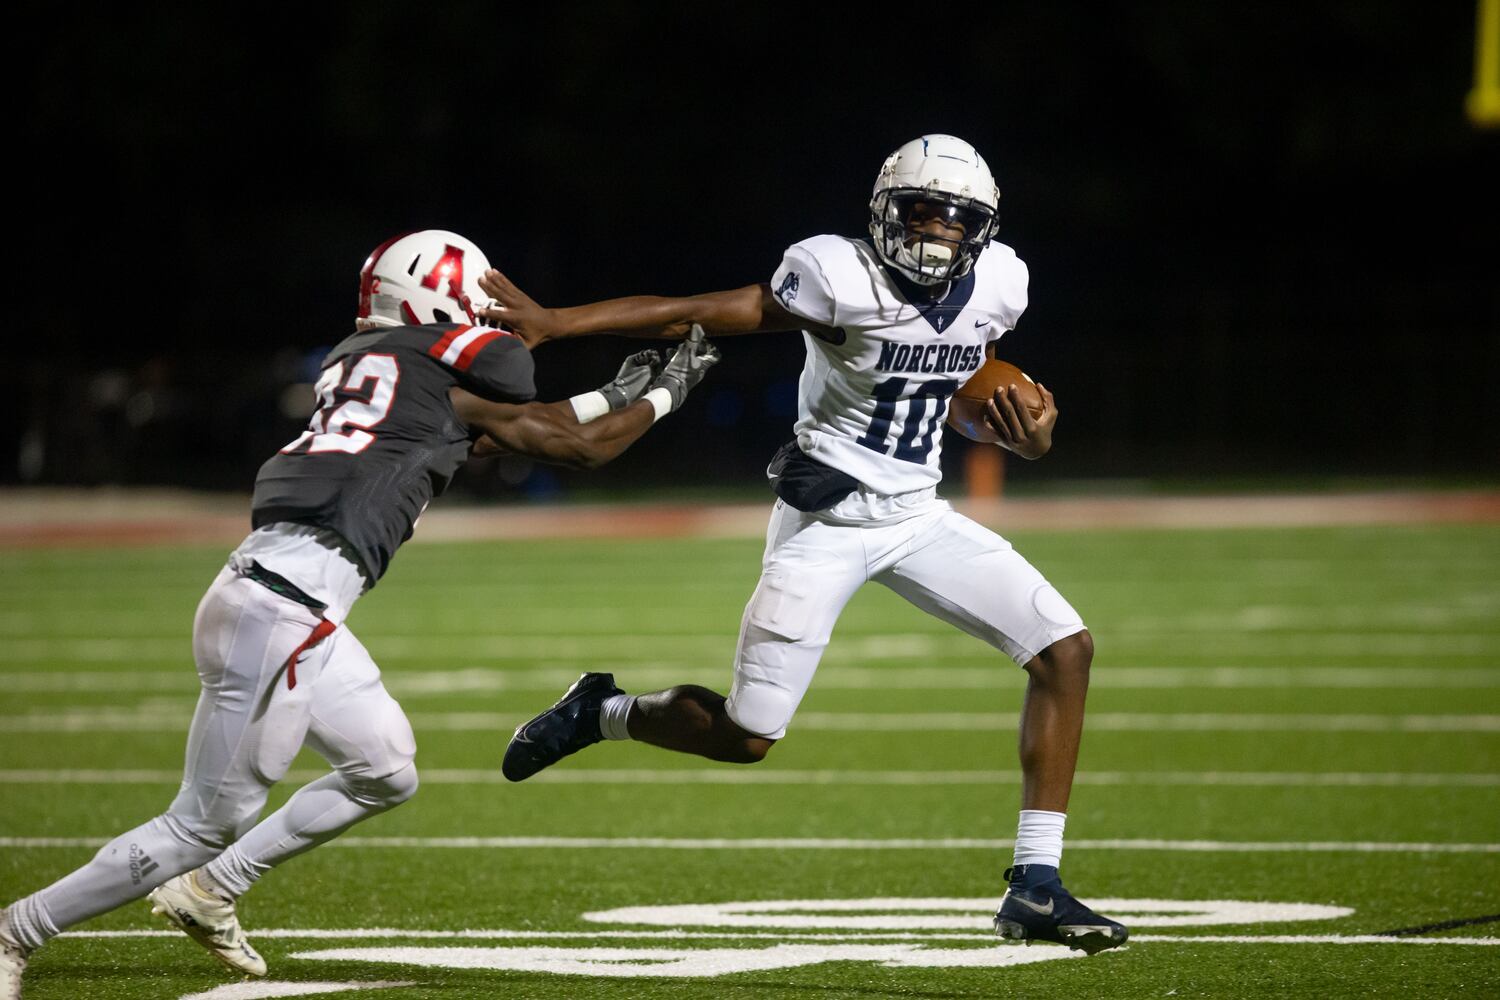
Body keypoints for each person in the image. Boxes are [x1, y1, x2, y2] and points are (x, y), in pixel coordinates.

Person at [0, 229, 721, 997]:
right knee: (199, 824)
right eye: (476, 303)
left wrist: (616, 393)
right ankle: (17, 932)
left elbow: (504, 430)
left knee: (384, 769)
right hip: (285, 613)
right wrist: (667, 392)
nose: (490, 318)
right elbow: (574, 446)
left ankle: (211, 889)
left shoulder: (374, 366)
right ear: (439, 302)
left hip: (277, 595)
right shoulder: (443, 369)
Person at [488, 136, 1128, 955]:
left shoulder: (1000, 281)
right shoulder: (837, 274)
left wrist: (1026, 438)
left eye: (956, 218)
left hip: (916, 516)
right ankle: (601, 711)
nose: (937, 231)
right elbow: (696, 310)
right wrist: (559, 323)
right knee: (749, 734)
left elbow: (961, 381)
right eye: (921, 211)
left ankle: (1035, 885)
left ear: (983, 229)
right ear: (886, 211)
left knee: (1065, 650)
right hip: (824, 521)